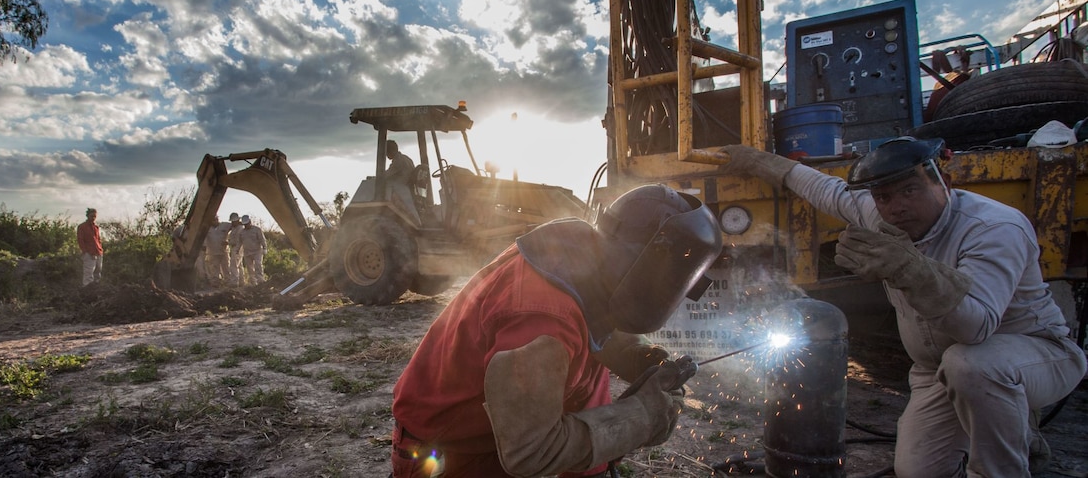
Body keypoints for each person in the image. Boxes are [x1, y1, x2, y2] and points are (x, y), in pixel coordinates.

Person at [718, 137, 1087, 477]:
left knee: (972, 365)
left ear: (941, 182)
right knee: (918, 471)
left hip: (1036, 354)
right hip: (936, 369)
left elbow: (976, 328)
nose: (896, 208)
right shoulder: (882, 217)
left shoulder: (993, 228)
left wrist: (909, 268)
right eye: (884, 197)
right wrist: (757, 160)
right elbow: (825, 189)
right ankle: (1019, 432)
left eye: (910, 190)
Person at [391, 184, 723, 477]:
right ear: (644, 264)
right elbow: (530, 451)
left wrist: (640, 356)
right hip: (453, 451)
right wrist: (642, 417)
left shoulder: (587, 260)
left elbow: (597, 317)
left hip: (505, 431)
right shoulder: (541, 320)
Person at [76, 207, 103, 286]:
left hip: (98, 251)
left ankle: (96, 288)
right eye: (92, 216)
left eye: (95, 216)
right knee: (89, 272)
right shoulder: (82, 227)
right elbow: (80, 240)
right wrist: (85, 251)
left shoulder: (96, 227)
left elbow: (98, 239)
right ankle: (87, 290)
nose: (93, 218)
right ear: (88, 216)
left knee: (98, 271)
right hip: (89, 252)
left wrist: (101, 249)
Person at [238, 215, 267, 286]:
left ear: (250, 222)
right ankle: (253, 283)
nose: (246, 225)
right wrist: (237, 250)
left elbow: (262, 239)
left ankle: (260, 281)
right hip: (247, 252)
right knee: (249, 268)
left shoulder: (257, 230)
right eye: (244, 224)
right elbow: (239, 242)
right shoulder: (242, 232)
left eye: (247, 224)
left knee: (258, 265)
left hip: (257, 251)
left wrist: (265, 248)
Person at [203, 215, 230, 287]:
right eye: (212, 220)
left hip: (224, 251)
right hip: (212, 252)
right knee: (214, 268)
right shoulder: (207, 229)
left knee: (226, 267)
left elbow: (235, 226)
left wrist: (229, 241)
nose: (214, 221)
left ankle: (227, 282)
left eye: (215, 219)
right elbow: (204, 239)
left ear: (218, 219)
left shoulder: (225, 225)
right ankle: (215, 283)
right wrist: (204, 247)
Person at [226, 213, 244, 287]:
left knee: (234, 265)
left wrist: (228, 242)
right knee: (239, 265)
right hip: (236, 247)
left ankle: (234, 282)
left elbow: (236, 241)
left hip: (237, 248)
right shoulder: (235, 228)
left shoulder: (240, 229)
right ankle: (241, 281)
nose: (232, 223)